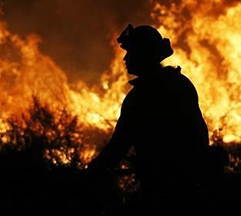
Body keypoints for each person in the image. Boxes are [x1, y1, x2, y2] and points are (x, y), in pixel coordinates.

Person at [87, 24, 210, 212]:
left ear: (144, 54)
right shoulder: (181, 83)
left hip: (160, 191)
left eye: (131, 52)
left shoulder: (140, 96)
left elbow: (119, 144)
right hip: (191, 185)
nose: (126, 58)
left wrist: (92, 171)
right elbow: (199, 132)